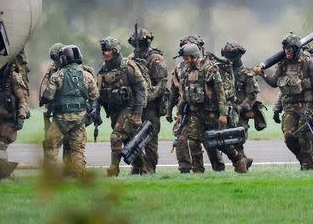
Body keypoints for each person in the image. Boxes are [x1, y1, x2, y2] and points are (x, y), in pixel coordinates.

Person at [175, 43, 248, 173]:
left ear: (195, 56)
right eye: (184, 59)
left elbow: (220, 92)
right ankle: (198, 172)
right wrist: (180, 112)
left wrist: (223, 113)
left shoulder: (209, 68)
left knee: (221, 142)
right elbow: (183, 94)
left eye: (187, 58)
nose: (185, 61)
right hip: (194, 112)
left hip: (211, 113)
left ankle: (239, 161)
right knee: (192, 141)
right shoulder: (186, 71)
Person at [254, 33, 313, 170]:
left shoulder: (310, 62)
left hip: (306, 106)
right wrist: (262, 74)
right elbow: (274, 83)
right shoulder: (283, 63)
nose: (287, 52)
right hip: (290, 106)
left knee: (304, 138)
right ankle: (305, 160)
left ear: (296, 49)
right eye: (285, 50)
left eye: (290, 50)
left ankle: (307, 168)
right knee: (289, 137)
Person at [41, 45, 99, 176]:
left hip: (61, 119)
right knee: (77, 150)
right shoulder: (87, 76)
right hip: (79, 119)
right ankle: (78, 176)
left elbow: (48, 96)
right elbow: (94, 96)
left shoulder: (57, 76)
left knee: (51, 147)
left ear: (63, 59)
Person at [96, 36, 147, 177]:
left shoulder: (128, 67)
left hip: (129, 108)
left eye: (107, 51)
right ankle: (142, 168)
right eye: (103, 51)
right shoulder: (103, 69)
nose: (104, 53)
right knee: (129, 140)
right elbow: (97, 92)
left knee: (116, 137)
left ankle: (114, 169)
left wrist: (137, 114)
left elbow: (141, 89)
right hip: (114, 110)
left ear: (115, 51)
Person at [127, 28, 168, 174]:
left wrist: (146, 97)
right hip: (136, 106)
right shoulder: (131, 58)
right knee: (133, 138)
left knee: (150, 141)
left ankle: (149, 170)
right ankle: (137, 167)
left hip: (151, 107)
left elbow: (162, 84)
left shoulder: (155, 58)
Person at [221, 42, 260, 164]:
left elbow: (252, 95)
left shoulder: (246, 74)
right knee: (222, 140)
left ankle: (241, 163)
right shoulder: (222, 72)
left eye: (231, 56)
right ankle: (242, 161)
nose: (228, 59)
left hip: (240, 113)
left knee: (237, 140)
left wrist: (239, 109)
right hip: (224, 112)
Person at [40, 43, 64, 155]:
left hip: (65, 111)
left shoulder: (73, 68)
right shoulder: (52, 69)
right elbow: (45, 86)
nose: (55, 61)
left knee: (53, 144)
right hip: (55, 109)